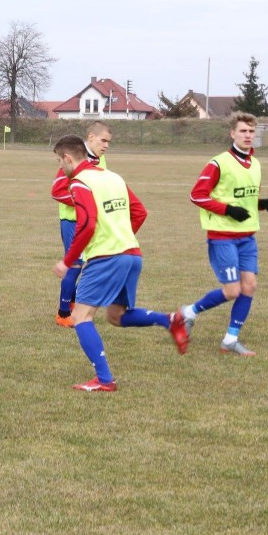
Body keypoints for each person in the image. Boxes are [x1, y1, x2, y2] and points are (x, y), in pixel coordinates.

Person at [51, 135, 188, 392]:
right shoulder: (113, 177)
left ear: (68, 159)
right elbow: (140, 212)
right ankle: (169, 320)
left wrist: (68, 261)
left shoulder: (79, 182)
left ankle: (105, 380)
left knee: (80, 316)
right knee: (116, 316)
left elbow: (87, 224)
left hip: (107, 257)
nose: (61, 166)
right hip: (131, 254)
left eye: (60, 161)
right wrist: (122, 237)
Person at [180, 112, 268, 356]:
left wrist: (262, 204)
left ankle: (230, 340)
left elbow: (244, 199)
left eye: (251, 131)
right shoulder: (218, 162)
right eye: (243, 131)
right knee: (233, 290)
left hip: (247, 237)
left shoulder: (255, 163)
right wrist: (227, 210)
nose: (247, 135)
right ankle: (188, 312)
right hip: (223, 236)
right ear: (232, 133)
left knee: (249, 287)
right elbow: (196, 195)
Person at [50, 121, 111, 328]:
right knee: (74, 266)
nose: (106, 145)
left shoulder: (101, 161)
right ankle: (63, 313)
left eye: (108, 142)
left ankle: (75, 307)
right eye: (103, 140)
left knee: (84, 265)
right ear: (91, 138)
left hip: (89, 221)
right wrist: (83, 202)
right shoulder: (73, 159)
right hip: (72, 221)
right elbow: (58, 191)